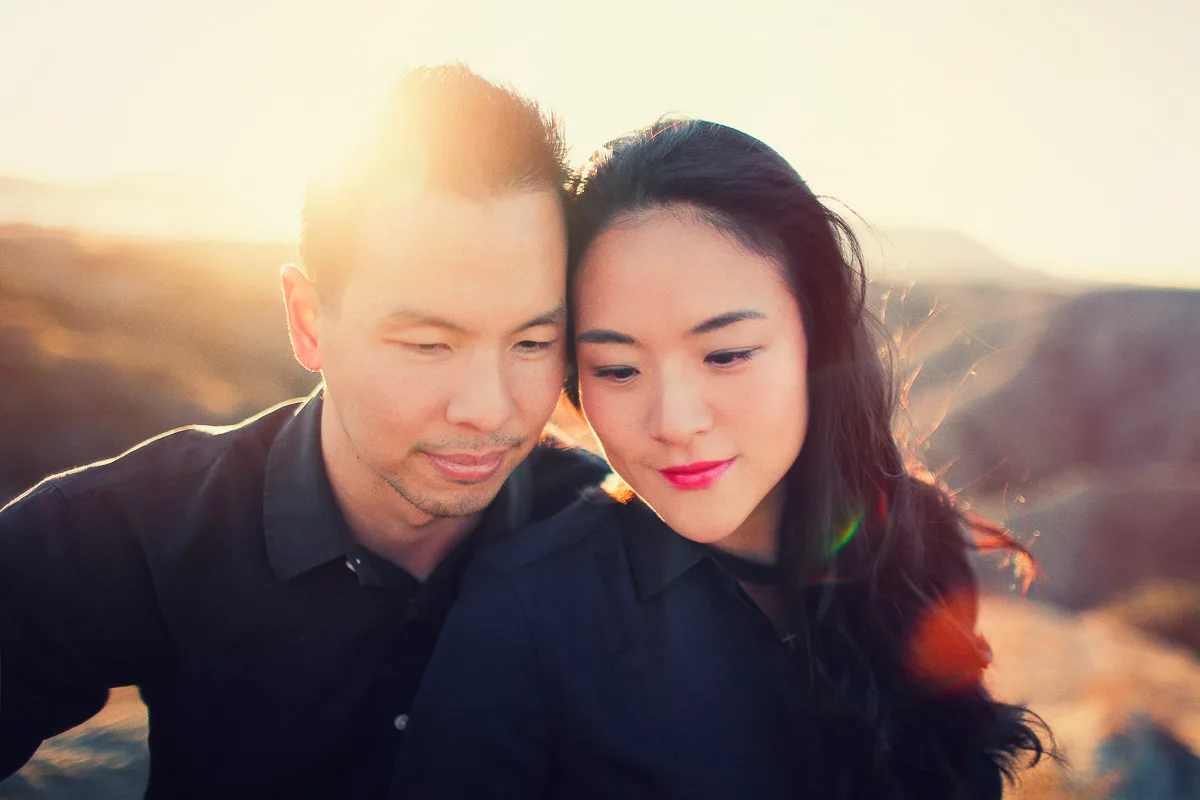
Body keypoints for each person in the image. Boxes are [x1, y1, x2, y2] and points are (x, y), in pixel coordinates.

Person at [392, 118, 1052, 799]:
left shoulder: (918, 544)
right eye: (618, 368)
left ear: (817, 339)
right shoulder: (527, 615)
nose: (675, 423)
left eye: (726, 355)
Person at [0, 65, 607, 798]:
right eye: (428, 344)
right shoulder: (144, 529)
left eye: (533, 343)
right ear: (308, 321)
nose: (489, 407)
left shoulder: (608, 542)